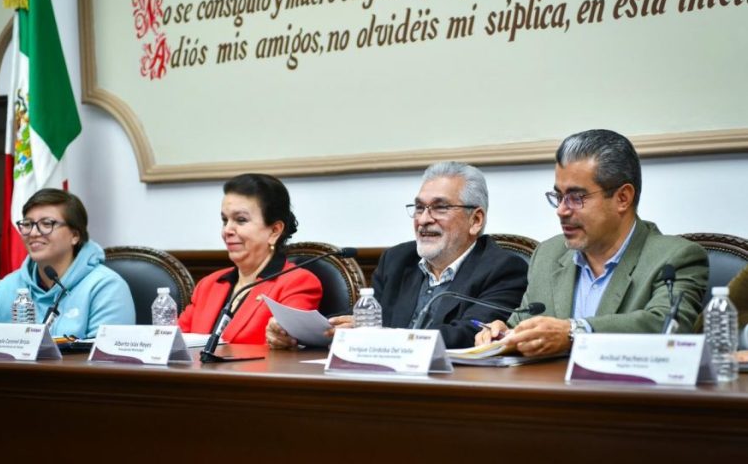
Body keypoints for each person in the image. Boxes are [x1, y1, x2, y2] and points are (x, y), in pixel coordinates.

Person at [475, 129, 709, 356]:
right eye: (559, 196)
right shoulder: (548, 254)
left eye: (576, 197)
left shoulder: (675, 258)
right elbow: (523, 324)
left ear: (623, 198)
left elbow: (667, 327)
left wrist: (573, 332)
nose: (561, 210)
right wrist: (504, 335)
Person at [267, 161, 528, 349]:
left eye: (439, 208)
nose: (423, 220)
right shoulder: (397, 260)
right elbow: (360, 321)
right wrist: (298, 334)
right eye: (419, 208)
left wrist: (379, 336)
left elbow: (469, 333)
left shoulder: (504, 269)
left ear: (476, 220)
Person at [178, 173, 322, 344]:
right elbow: (175, 342)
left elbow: (285, 344)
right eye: (225, 220)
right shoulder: (208, 285)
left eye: (241, 220)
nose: (227, 230)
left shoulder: (297, 283)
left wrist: (281, 337)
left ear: (274, 231)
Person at [0, 188, 135, 338]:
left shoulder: (106, 288)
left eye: (46, 224)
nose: (33, 233)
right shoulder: (6, 287)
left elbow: (103, 352)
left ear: (74, 236)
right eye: (28, 224)